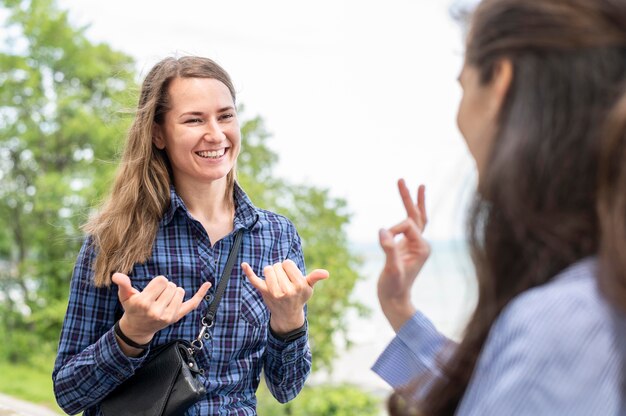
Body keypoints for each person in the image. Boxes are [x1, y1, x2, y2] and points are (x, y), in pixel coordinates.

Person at [372, 0, 626, 414]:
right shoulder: (596, 291)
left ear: (500, 83)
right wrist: (400, 308)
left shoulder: (562, 326)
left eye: (463, 85)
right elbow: (493, 386)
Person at [52, 56, 329, 415]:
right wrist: (131, 334)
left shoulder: (276, 236)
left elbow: (286, 387)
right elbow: (68, 393)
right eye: (194, 120)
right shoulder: (116, 237)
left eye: (225, 116)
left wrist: (290, 320)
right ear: (157, 133)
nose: (215, 133)